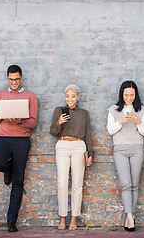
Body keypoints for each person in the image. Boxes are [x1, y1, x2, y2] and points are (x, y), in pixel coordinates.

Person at [0, 65, 38, 232]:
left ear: (22, 78)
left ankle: (12, 221)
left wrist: (19, 121)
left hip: (21, 140)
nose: (14, 82)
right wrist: (3, 115)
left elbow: (32, 122)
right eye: (11, 79)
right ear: (7, 78)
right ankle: (7, 169)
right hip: (3, 138)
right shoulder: (0, 95)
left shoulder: (30, 96)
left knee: (18, 180)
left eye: (17, 79)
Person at [50, 84, 93, 230]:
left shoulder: (84, 113)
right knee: (62, 183)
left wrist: (90, 154)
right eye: (67, 96)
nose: (70, 99)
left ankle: (74, 218)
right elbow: (53, 132)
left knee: (77, 184)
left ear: (78, 97)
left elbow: (88, 134)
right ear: (65, 97)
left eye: (73, 96)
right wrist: (59, 123)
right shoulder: (58, 111)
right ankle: (62, 217)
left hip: (79, 146)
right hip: (62, 145)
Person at [107, 81, 144, 232]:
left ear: (135, 94)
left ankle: (131, 216)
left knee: (134, 185)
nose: (129, 98)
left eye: (132, 95)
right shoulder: (113, 110)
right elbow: (110, 130)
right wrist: (121, 121)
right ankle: (129, 216)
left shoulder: (142, 110)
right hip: (120, 149)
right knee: (126, 184)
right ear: (121, 95)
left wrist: (138, 121)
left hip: (137, 148)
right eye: (126, 95)